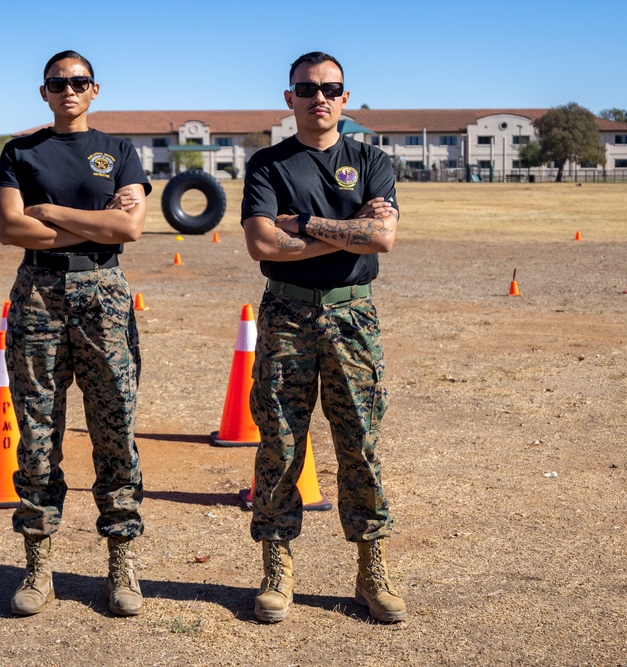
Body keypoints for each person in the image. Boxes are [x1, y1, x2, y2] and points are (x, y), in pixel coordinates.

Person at [240, 52, 406, 624]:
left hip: (353, 317)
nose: (320, 98)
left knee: (360, 442)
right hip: (286, 313)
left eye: (330, 89)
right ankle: (277, 569)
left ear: (345, 96)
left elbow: (382, 238)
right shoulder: (269, 165)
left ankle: (372, 567)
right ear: (289, 99)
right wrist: (349, 231)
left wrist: (304, 224)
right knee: (281, 443)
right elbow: (262, 245)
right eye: (307, 89)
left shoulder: (370, 159)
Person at [0, 50, 151, 617]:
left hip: (104, 296)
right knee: (36, 433)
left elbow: (129, 226)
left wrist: (51, 213)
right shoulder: (21, 152)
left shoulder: (120, 151)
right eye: (58, 83)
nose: (69, 90)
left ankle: (121, 562)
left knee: (115, 430)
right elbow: (11, 228)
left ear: (95, 89)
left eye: (79, 82)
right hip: (38, 296)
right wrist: (93, 225)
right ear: (44, 92)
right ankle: (38, 565)